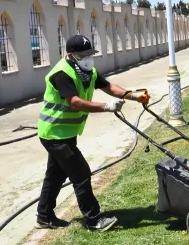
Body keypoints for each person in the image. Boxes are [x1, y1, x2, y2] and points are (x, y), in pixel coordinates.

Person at [36, 35, 150, 231]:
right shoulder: (62, 73)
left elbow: (109, 87)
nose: (89, 58)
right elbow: (75, 102)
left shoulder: (87, 71)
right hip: (55, 134)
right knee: (81, 174)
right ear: (71, 55)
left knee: (55, 175)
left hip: (65, 132)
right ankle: (94, 220)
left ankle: (44, 216)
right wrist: (106, 106)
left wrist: (132, 95)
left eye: (90, 53)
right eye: (84, 55)